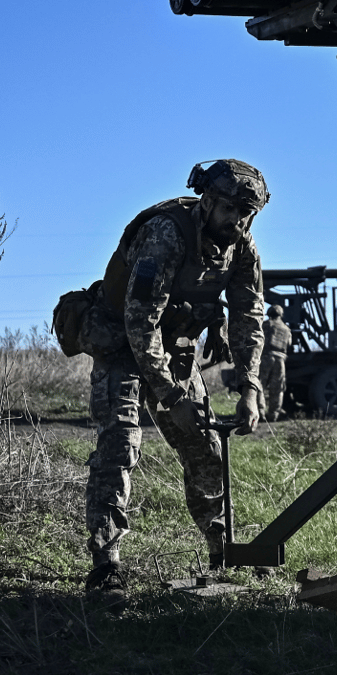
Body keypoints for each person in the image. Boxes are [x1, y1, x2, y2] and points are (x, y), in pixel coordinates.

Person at [83, 159, 269, 591]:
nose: (237, 221)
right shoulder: (166, 234)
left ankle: (223, 550)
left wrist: (250, 387)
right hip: (122, 343)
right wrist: (170, 395)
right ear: (207, 201)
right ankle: (105, 564)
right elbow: (140, 321)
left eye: (247, 214)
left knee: (205, 448)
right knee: (120, 445)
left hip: (175, 346)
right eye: (229, 210)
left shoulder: (242, 247)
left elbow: (248, 317)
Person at [260, 304, 292, 422]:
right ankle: (273, 414)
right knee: (277, 388)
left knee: (260, 386)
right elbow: (288, 344)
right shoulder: (286, 328)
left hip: (265, 357)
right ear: (281, 314)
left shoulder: (265, 325)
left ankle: (260, 412)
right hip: (280, 360)